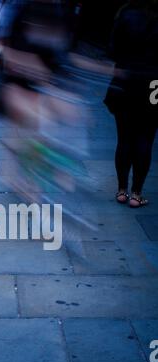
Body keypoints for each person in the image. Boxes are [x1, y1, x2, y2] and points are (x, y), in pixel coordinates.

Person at [104, 0, 158, 207]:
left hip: (125, 80)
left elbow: (112, 51)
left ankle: (121, 190)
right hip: (155, 84)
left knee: (124, 138)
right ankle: (137, 194)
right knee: (146, 137)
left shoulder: (125, 13)